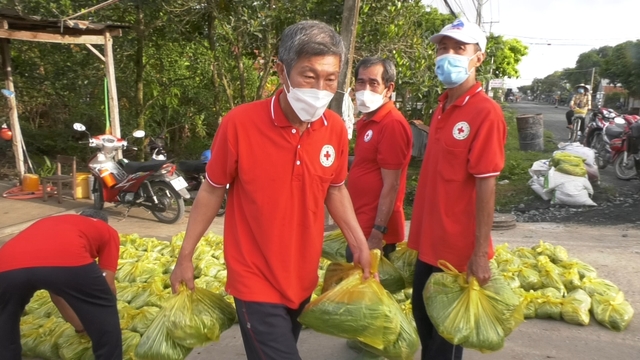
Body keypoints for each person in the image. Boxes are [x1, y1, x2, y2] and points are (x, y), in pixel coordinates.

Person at [170, 20, 372, 360]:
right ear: (282, 70)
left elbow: (335, 190)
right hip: (254, 278)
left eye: (330, 78)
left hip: (302, 276)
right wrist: (185, 255)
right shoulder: (240, 124)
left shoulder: (334, 129)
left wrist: (359, 243)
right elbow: (211, 190)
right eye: (309, 76)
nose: (320, 88)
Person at [407, 18, 507, 360]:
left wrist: (479, 253)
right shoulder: (441, 108)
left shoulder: (486, 113)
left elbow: (486, 186)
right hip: (427, 245)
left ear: (477, 58)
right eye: (442, 48)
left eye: (458, 48)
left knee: (443, 343)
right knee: (424, 324)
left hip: (457, 253)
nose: (447, 55)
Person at [0, 209, 121, 360]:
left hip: (6, 264)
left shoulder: (52, 222)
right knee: (105, 309)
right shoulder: (106, 230)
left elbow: (57, 294)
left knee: (5, 319)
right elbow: (107, 284)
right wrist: (104, 312)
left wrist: (80, 327)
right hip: (69, 260)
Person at [345, 56, 412, 262]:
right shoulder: (367, 121)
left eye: (373, 83)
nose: (365, 89)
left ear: (389, 88)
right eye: (361, 82)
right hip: (359, 225)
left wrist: (378, 232)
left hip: (374, 233)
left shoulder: (391, 124)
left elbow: (392, 184)